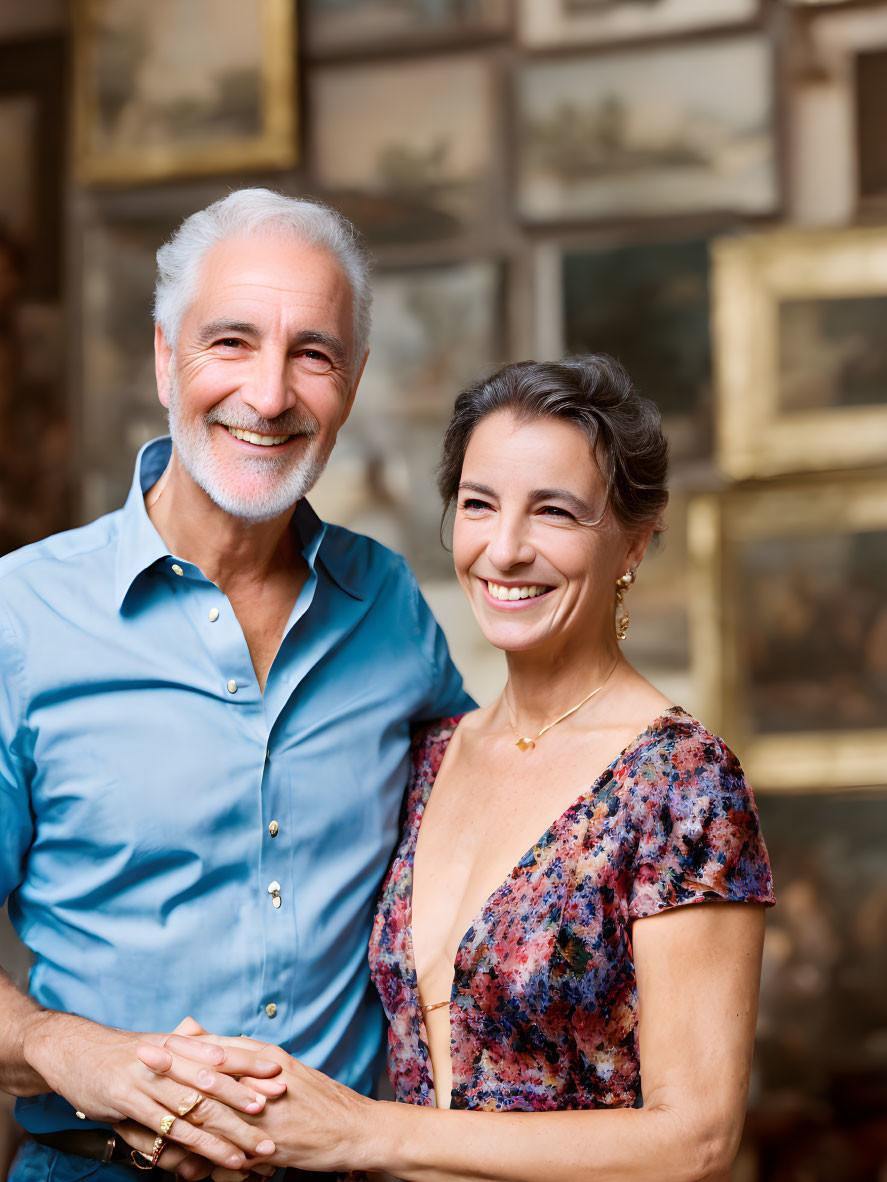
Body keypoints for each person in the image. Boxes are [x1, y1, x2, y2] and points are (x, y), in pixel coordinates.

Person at [122, 356, 775, 1182]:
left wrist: (368, 1132)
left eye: (554, 512)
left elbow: (696, 1142)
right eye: (477, 505)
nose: (503, 549)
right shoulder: (431, 749)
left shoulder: (683, 782)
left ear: (634, 542)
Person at [0, 188, 472, 1182]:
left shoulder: (387, 606)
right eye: (231, 342)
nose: (268, 395)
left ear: (352, 380)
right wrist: (58, 1046)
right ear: (163, 356)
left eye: (312, 353)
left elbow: (493, 851)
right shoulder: (22, 620)